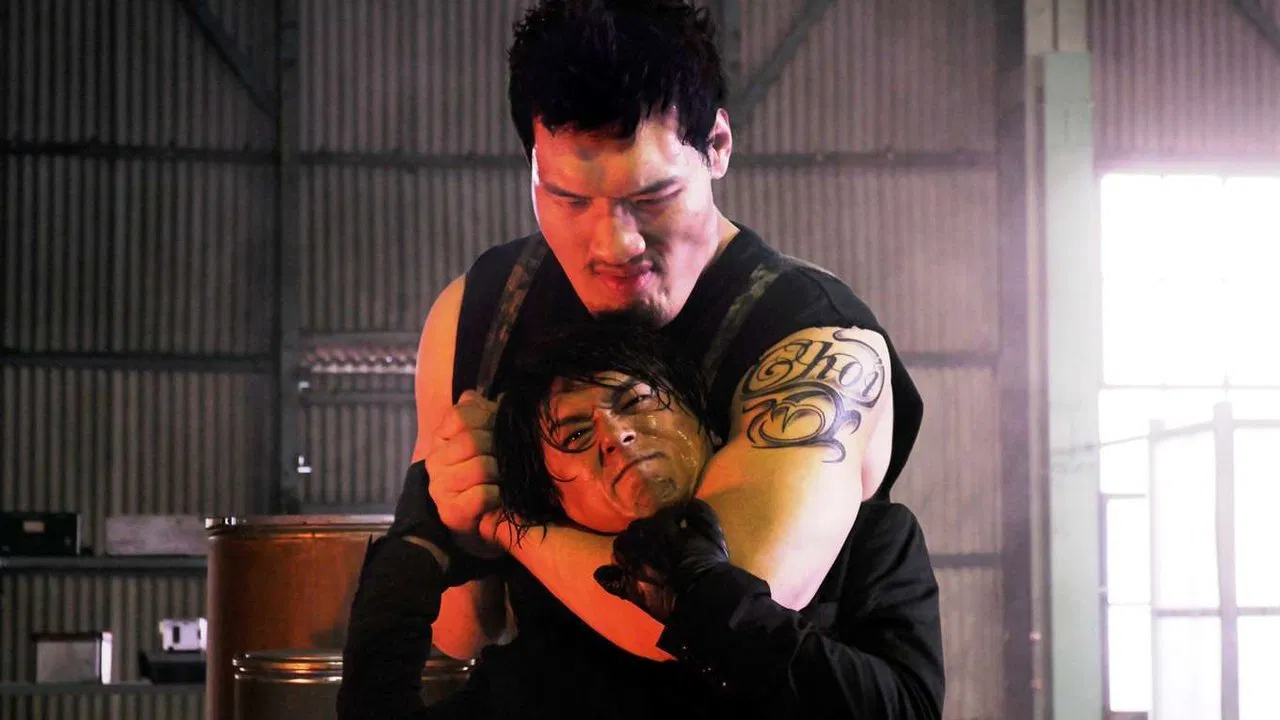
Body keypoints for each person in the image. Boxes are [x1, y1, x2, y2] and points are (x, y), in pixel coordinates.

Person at [338, 1, 929, 718]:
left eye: (652, 197)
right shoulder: (481, 314)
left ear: (717, 146)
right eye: (568, 199)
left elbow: (705, 615)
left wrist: (503, 523)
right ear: (531, 167)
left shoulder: (816, 345)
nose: (613, 245)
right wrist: (451, 530)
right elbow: (464, 631)